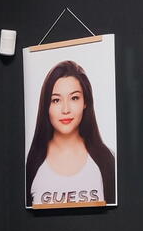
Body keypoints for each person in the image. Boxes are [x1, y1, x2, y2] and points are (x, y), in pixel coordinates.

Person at [26, 59, 116, 207]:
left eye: (74, 98)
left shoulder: (106, 160)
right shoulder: (31, 163)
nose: (65, 109)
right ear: (46, 105)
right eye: (56, 100)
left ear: (85, 102)